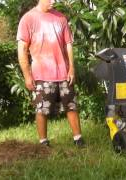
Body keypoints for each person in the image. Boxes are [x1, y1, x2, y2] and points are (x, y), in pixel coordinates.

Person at [17, 0, 84, 147]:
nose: (54, 1)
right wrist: (27, 75)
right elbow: (21, 49)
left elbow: (68, 45)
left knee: (71, 106)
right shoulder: (28, 19)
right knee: (42, 109)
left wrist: (71, 68)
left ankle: (78, 139)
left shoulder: (61, 18)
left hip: (64, 73)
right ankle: (43, 142)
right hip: (41, 74)